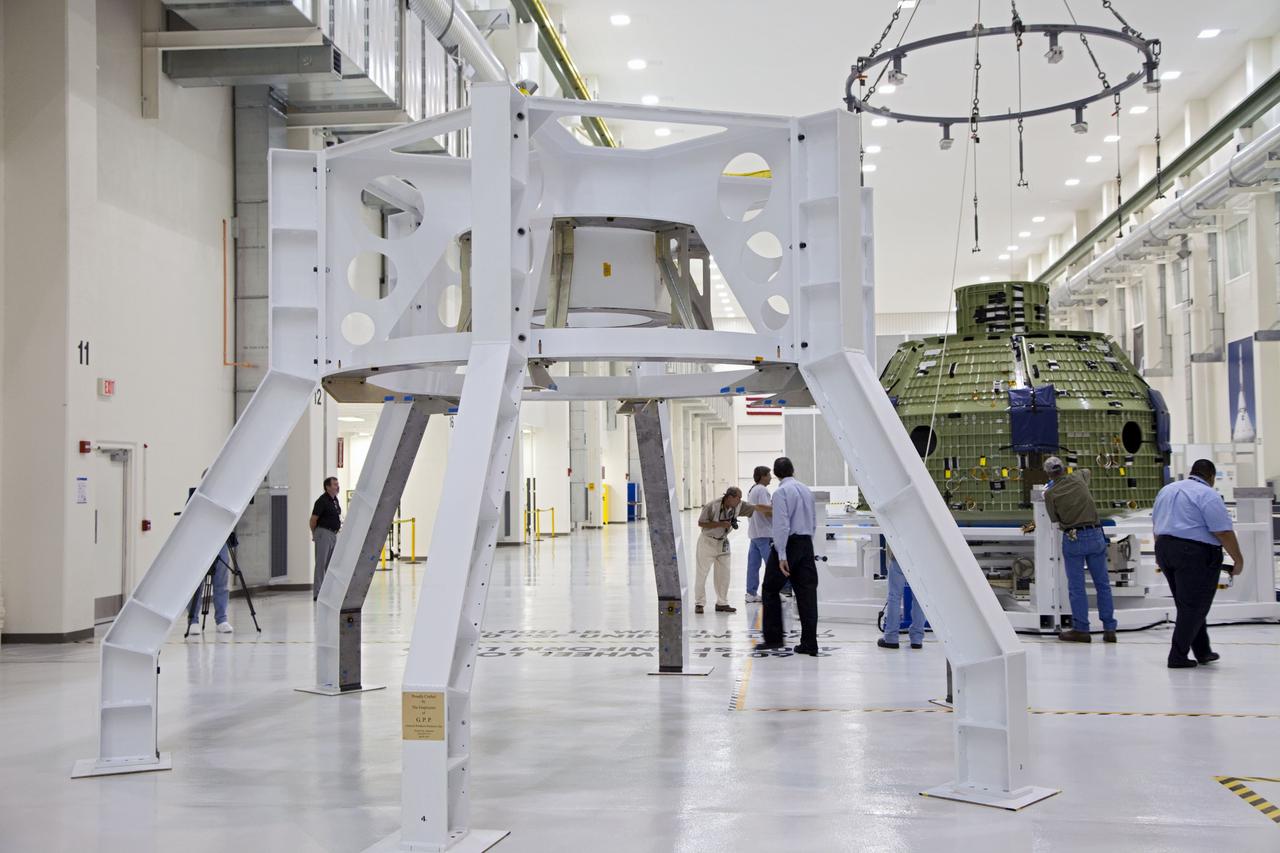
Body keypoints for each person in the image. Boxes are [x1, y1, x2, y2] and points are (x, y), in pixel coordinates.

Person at [1153, 459, 1245, 669]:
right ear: (1211, 477)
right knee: (1194, 605)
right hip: (1194, 554)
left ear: (1192, 472)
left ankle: (1203, 651)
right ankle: (1177, 656)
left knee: (1187, 603)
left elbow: (1157, 524)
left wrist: (1161, 553)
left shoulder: (1167, 490)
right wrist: (1238, 560)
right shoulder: (1207, 494)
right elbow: (1222, 531)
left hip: (1165, 548)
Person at [1042, 456, 1117, 644]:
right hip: (1095, 534)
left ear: (1049, 473)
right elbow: (1087, 471)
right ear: (1064, 468)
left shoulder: (1050, 494)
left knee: (1077, 587)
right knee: (1103, 584)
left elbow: (1055, 520)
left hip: (1073, 538)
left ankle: (1082, 629)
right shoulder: (1078, 477)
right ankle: (1109, 629)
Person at [755, 457, 819, 656]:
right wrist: (806, 545)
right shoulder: (806, 490)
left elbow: (781, 524)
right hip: (806, 543)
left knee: (770, 589)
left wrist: (782, 554)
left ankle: (773, 639)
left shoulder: (781, 492)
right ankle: (809, 643)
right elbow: (814, 520)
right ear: (793, 470)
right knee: (807, 594)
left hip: (788, 545)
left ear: (775, 474)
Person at [694, 486, 747, 614]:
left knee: (724, 574)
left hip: (723, 541)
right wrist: (720, 524)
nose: (740, 500)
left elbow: (753, 508)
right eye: (738, 498)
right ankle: (699, 603)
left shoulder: (737, 506)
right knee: (702, 573)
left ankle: (722, 603)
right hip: (707, 541)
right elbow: (701, 523)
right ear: (729, 497)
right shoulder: (711, 506)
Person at [877, 553, 924, 650]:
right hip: (921, 557)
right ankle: (917, 639)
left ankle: (891, 637)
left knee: (894, 596)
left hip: (900, 554)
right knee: (920, 598)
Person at [188, 540, 233, 634]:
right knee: (196, 583)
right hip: (199, 537)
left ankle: (222, 619)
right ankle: (193, 620)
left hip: (221, 537)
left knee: (221, 580)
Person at [744, 466, 774, 603]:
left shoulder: (752, 489)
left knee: (753, 565)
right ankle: (775, 593)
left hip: (754, 533)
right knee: (773, 565)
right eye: (769, 475)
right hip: (764, 532)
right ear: (763, 476)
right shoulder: (762, 490)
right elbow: (766, 510)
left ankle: (751, 593)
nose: (771, 477)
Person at [310, 476, 342, 600]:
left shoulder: (335, 500)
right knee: (321, 563)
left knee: (331, 564)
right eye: (334, 484)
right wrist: (315, 534)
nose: (337, 486)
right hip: (323, 533)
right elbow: (313, 520)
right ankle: (318, 593)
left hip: (333, 534)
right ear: (327, 487)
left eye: (337, 484)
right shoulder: (322, 501)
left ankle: (328, 591)